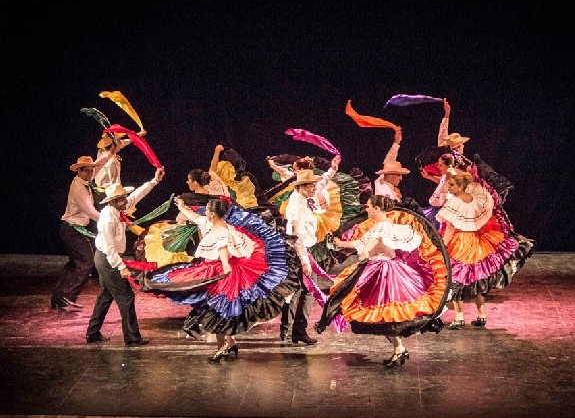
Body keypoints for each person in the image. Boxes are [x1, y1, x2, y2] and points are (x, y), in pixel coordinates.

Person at [132, 197, 301, 362]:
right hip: (218, 269)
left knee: (217, 311)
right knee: (218, 310)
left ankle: (222, 346)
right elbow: (197, 218)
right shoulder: (212, 224)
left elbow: (222, 248)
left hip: (223, 272)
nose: (204, 213)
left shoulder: (221, 231)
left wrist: (226, 267)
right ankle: (231, 342)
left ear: (212, 214)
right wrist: (182, 207)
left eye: (206, 210)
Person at [315, 195, 448, 367]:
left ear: (376, 209)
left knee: (384, 314)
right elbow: (360, 242)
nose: (367, 209)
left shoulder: (381, 228)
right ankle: (399, 349)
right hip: (390, 269)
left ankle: (399, 348)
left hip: (383, 272)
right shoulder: (386, 226)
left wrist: (363, 254)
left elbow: (367, 247)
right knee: (387, 316)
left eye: (369, 206)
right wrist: (339, 242)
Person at [85, 167, 165, 345]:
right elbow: (108, 247)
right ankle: (132, 337)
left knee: (106, 295)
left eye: (124, 197)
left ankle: (93, 332)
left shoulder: (118, 209)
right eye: (121, 199)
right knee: (126, 296)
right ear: (113, 201)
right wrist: (121, 267)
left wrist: (154, 181)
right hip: (107, 258)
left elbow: (137, 195)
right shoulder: (108, 218)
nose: (126, 201)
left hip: (109, 257)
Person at [435, 169, 522, 329]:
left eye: (452, 185)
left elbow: (450, 228)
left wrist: (443, 246)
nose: (450, 188)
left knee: (457, 279)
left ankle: (459, 317)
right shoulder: (474, 199)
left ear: (461, 186)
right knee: (474, 279)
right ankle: (481, 315)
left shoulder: (454, 202)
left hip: (459, 242)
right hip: (475, 241)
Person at [282, 155, 341, 345]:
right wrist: (305, 261)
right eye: (309, 186)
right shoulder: (296, 205)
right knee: (306, 291)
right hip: (298, 251)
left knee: (299, 290)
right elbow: (296, 235)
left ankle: (290, 330)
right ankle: (296, 330)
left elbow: (321, 183)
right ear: (299, 187)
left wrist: (332, 169)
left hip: (306, 248)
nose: (313, 188)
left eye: (312, 186)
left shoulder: (306, 197)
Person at [51, 152, 115, 310]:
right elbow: (91, 211)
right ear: (79, 171)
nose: (89, 173)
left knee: (75, 263)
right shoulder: (79, 188)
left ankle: (59, 298)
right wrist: (111, 222)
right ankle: (67, 297)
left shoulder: (84, 180)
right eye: (85, 170)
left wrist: (112, 151)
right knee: (86, 262)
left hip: (73, 229)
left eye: (90, 170)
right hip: (71, 229)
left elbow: (98, 164)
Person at [374, 127, 409, 201]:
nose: (401, 178)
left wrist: (397, 142)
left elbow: (389, 161)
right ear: (389, 175)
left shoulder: (388, 187)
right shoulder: (382, 187)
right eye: (399, 175)